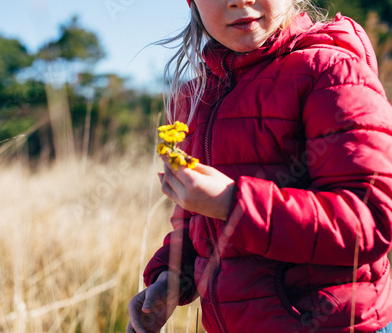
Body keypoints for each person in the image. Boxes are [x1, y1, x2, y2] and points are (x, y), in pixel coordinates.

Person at [126, 0, 392, 332]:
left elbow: (370, 222)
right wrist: (173, 276)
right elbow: (199, 222)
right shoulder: (194, 97)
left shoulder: (332, 72)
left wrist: (233, 203)